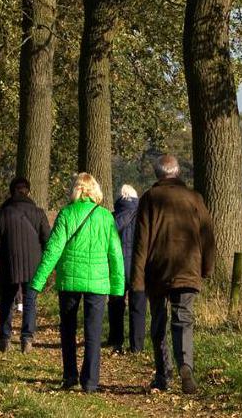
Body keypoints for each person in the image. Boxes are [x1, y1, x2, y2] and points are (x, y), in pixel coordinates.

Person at [30, 173, 124, 393]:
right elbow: (115, 254)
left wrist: (37, 283)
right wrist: (118, 288)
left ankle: (70, 375)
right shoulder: (105, 217)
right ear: (95, 191)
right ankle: (90, 382)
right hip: (98, 284)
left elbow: (53, 251)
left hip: (69, 281)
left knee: (68, 330)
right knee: (93, 333)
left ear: (76, 190)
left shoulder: (66, 214)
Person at [132, 155, 215, 394]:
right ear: (177, 172)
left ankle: (162, 373)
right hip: (188, 268)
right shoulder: (194, 198)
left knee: (159, 321)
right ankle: (186, 367)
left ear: (158, 174)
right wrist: (206, 268)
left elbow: (141, 242)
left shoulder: (149, 198)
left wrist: (137, 280)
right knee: (183, 319)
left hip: (157, 270)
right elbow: (208, 237)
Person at [0, 177, 50, 353]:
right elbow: (47, 240)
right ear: (28, 192)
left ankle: (5, 338)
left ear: (12, 191)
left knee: (6, 301)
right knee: (30, 301)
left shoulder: (2, 212)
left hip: (8, 262)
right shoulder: (38, 212)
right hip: (33, 264)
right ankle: (27, 339)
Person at [107, 184, 146, 354]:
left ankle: (116, 340)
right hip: (139, 268)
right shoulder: (143, 217)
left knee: (116, 304)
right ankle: (137, 345)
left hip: (117, 267)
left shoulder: (111, 218)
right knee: (138, 306)